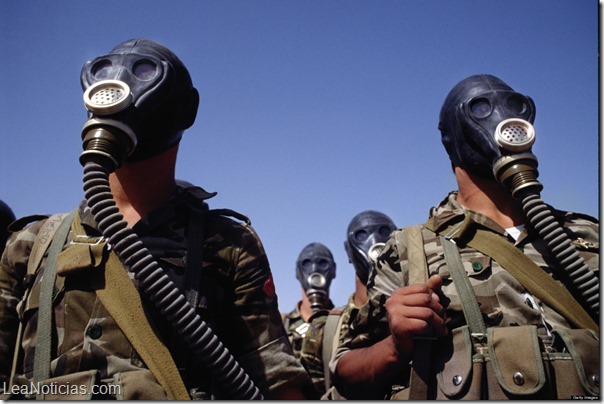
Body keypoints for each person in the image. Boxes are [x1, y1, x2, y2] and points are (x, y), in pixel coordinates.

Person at [0, 38, 313, 400]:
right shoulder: (31, 244)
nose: (122, 85)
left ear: (186, 111)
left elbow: (275, 378)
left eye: (144, 73)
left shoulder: (228, 244)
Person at [331, 74, 600, 400]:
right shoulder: (411, 249)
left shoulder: (587, 235)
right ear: (452, 139)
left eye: (512, 106)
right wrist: (395, 346)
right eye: (481, 110)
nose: (503, 119)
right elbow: (345, 372)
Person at [299, 210, 397, 398]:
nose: (375, 241)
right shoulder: (322, 330)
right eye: (361, 235)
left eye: (385, 232)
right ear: (348, 251)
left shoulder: (420, 310)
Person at [282, 242, 336, 361]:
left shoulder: (343, 322)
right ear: (298, 271)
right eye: (307, 263)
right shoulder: (280, 325)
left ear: (333, 270)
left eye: (323, 263)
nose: (314, 269)